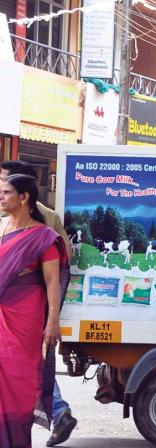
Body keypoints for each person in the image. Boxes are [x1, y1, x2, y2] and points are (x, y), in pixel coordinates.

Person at [0, 161, 78, 447]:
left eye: (7, 191)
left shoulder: (44, 235)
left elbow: (53, 281)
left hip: (25, 316)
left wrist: (53, 321)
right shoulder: (0, 227)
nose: (1, 196)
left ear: (24, 197)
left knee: (19, 378)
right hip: (1, 314)